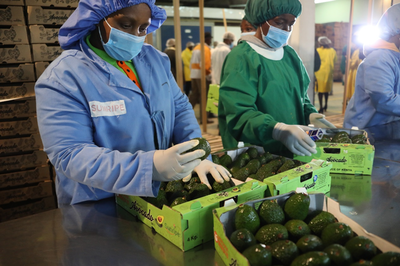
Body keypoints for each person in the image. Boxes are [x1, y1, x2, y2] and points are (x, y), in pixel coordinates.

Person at [34, 0, 230, 205]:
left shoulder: (155, 60)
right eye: (126, 25)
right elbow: (70, 154)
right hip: (100, 204)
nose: (135, 35)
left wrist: (195, 154)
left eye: (143, 28)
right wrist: (149, 167)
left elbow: (179, 107)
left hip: (158, 195)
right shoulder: (63, 78)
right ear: (98, 19)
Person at [218, 0, 335, 158]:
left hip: (294, 151)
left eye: (291, 23)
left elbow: (300, 96)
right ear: (261, 19)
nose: (286, 29)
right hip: (257, 157)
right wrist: (276, 129)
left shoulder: (289, 55)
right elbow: (239, 115)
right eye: (280, 22)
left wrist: (310, 114)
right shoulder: (242, 58)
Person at [344, 3, 400, 129]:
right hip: (366, 130)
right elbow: (384, 99)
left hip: (385, 127)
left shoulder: (395, 57)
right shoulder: (379, 58)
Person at [189, 32, 213, 123]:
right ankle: (204, 119)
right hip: (201, 75)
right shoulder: (205, 49)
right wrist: (208, 74)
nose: (211, 40)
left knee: (194, 96)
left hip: (193, 75)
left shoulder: (196, 47)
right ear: (207, 39)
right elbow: (206, 65)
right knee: (204, 97)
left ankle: (184, 115)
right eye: (210, 39)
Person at [315, 36, 337, 113]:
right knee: (326, 90)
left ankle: (321, 107)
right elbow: (335, 60)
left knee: (320, 91)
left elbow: (315, 61)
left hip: (319, 73)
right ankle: (326, 105)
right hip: (329, 72)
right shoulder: (332, 51)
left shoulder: (318, 50)